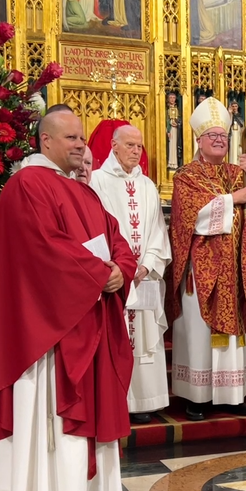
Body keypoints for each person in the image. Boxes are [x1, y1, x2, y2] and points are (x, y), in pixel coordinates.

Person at [0, 106, 136, 491]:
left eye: (82, 137)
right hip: (47, 334)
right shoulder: (27, 185)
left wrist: (120, 268)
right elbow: (44, 247)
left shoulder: (82, 191)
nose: (81, 144)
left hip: (88, 320)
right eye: (71, 138)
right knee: (49, 424)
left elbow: (115, 238)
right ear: (45, 140)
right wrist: (99, 273)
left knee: (89, 414)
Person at [170, 97, 246, 420]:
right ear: (199, 140)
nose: (219, 140)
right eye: (212, 135)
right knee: (199, 332)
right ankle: (197, 396)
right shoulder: (186, 175)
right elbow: (190, 217)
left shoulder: (237, 172)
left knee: (234, 335)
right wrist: (232, 199)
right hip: (201, 269)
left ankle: (231, 394)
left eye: (222, 135)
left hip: (236, 269)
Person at [90, 125, 172, 424]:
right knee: (118, 333)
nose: (136, 151)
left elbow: (158, 230)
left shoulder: (148, 185)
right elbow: (96, 228)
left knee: (146, 335)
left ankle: (146, 399)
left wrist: (147, 264)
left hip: (145, 277)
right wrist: (122, 266)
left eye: (139, 146)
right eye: (130, 145)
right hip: (115, 275)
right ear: (114, 146)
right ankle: (119, 399)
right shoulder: (97, 181)